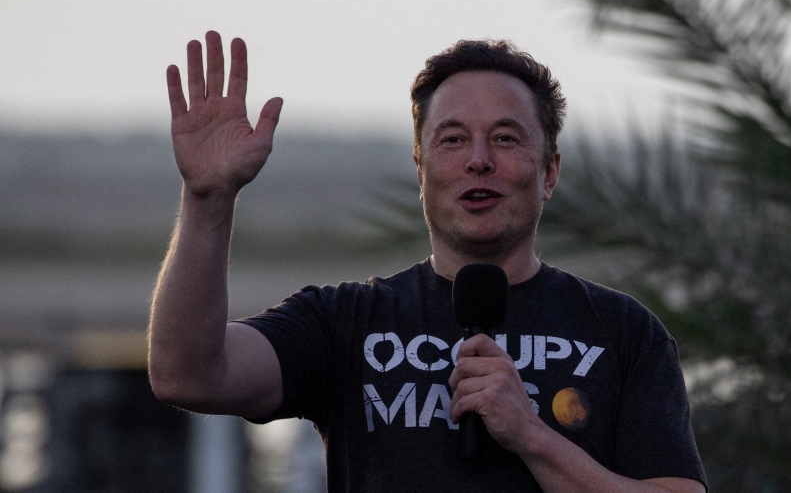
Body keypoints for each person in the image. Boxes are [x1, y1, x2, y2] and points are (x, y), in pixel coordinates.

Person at [148, 31, 707, 493]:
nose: (479, 161)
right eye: (452, 140)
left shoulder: (624, 332)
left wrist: (531, 434)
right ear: (420, 171)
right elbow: (187, 374)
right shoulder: (345, 322)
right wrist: (207, 200)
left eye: (507, 139)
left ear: (550, 172)